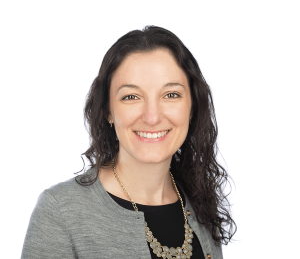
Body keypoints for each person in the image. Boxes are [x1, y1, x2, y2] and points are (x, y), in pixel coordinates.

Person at [21, 26, 236, 259]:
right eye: (131, 97)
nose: (152, 117)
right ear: (107, 111)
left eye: (171, 94)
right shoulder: (60, 213)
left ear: (192, 107)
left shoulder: (199, 203)